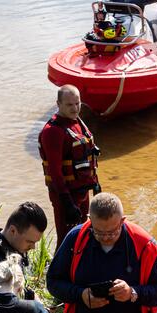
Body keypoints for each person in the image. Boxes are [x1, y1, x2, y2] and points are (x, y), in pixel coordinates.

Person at [39, 84, 102, 251]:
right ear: (58, 104)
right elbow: (55, 171)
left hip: (82, 191)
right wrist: (66, 201)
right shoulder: (53, 132)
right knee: (67, 239)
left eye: (77, 103)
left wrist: (95, 183)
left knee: (85, 234)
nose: (75, 108)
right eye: (69, 105)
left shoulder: (77, 122)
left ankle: (80, 271)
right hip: (65, 195)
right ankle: (57, 273)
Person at [0, 202, 47, 302]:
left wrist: (33, 298)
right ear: (13, 231)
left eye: (35, 242)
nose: (33, 247)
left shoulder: (13, 247)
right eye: (29, 242)